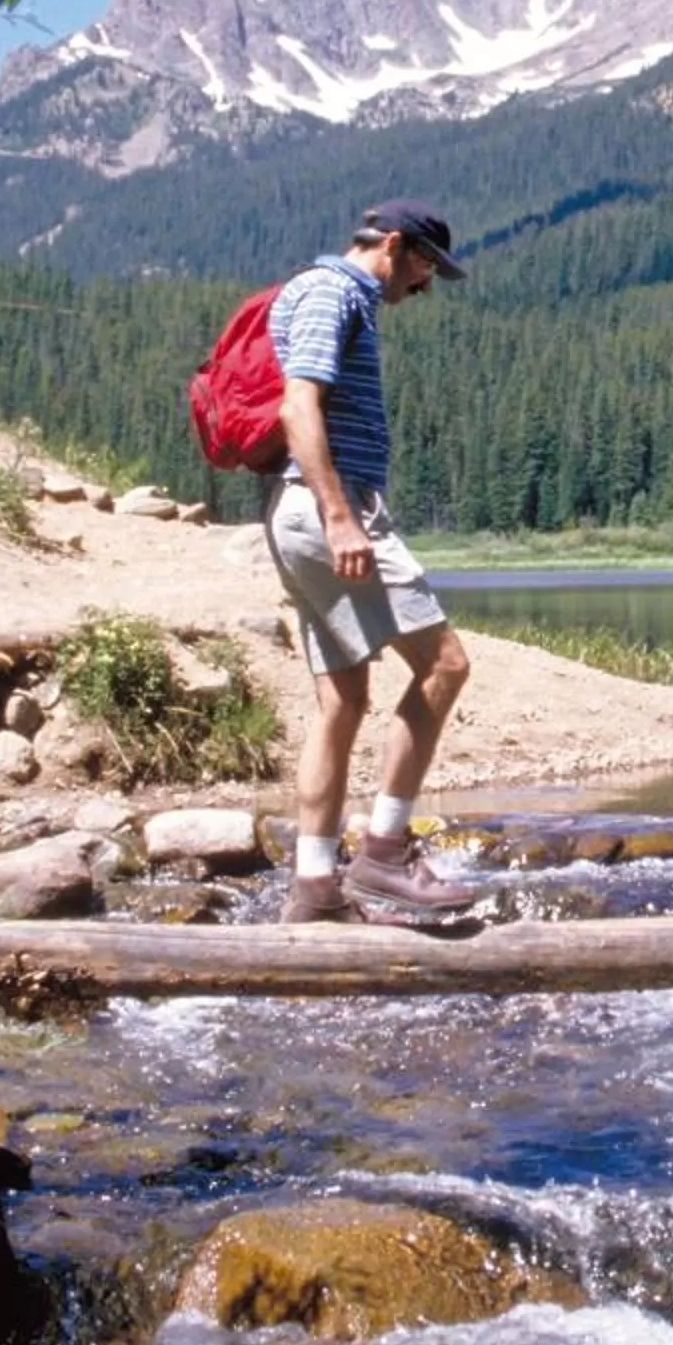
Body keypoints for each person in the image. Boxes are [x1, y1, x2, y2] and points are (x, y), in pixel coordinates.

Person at [265, 199, 479, 922]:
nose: (423, 285)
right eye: (423, 266)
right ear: (393, 244)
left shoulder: (332, 294)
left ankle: (315, 889)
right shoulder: (333, 292)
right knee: (445, 665)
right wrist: (339, 517)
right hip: (330, 511)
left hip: (309, 511)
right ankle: (384, 858)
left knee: (343, 701)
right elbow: (298, 409)